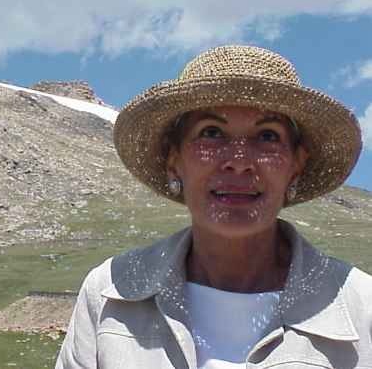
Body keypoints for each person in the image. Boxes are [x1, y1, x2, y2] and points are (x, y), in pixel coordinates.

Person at [55, 45, 372, 369]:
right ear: (173, 159)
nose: (239, 162)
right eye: (211, 132)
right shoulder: (110, 294)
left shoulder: (361, 308)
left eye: (267, 136)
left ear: (297, 164)